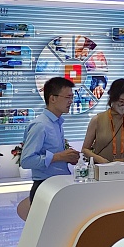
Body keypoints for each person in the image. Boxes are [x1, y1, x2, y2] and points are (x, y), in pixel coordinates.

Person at [21, 76, 82, 204]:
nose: (71, 101)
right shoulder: (40, 126)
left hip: (58, 186)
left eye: (72, 97)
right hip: (45, 188)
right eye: (68, 97)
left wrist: (67, 158)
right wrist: (58, 157)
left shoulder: (57, 123)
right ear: (52, 98)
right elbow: (26, 161)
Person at [82, 78, 124, 166]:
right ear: (112, 98)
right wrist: (100, 160)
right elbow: (85, 150)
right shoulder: (97, 120)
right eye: (121, 101)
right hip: (101, 169)